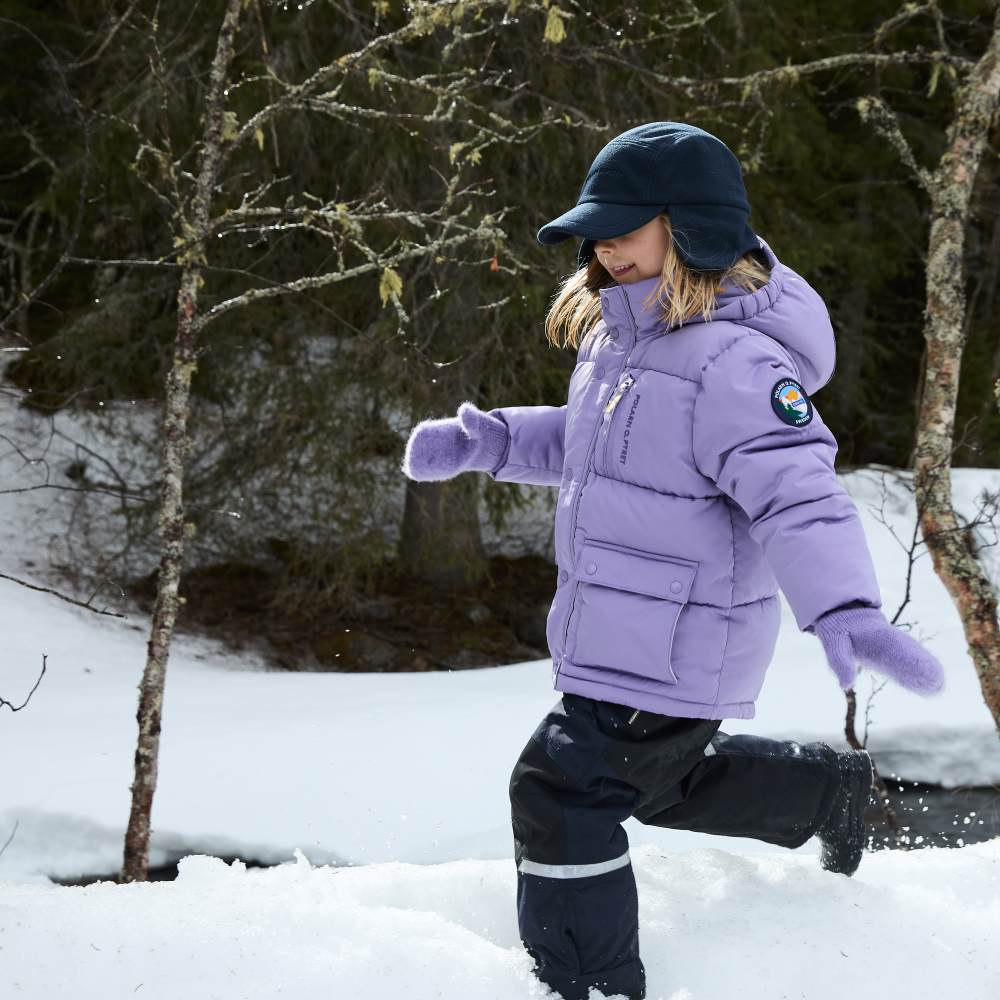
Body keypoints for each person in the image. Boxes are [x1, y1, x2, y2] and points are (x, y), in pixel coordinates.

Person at [400, 122, 945, 1000]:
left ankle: (588, 986)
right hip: (619, 631)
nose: (604, 244)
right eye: (596, 228)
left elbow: (798, 493)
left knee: (560, 792)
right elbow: (591, 446)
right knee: (664, 784)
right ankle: (822, 796)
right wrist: (491, 440)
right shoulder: (617, 338)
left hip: (673, 641)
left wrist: (845, 609)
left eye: (626, 225)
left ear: (691, 228)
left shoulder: (737, 362)